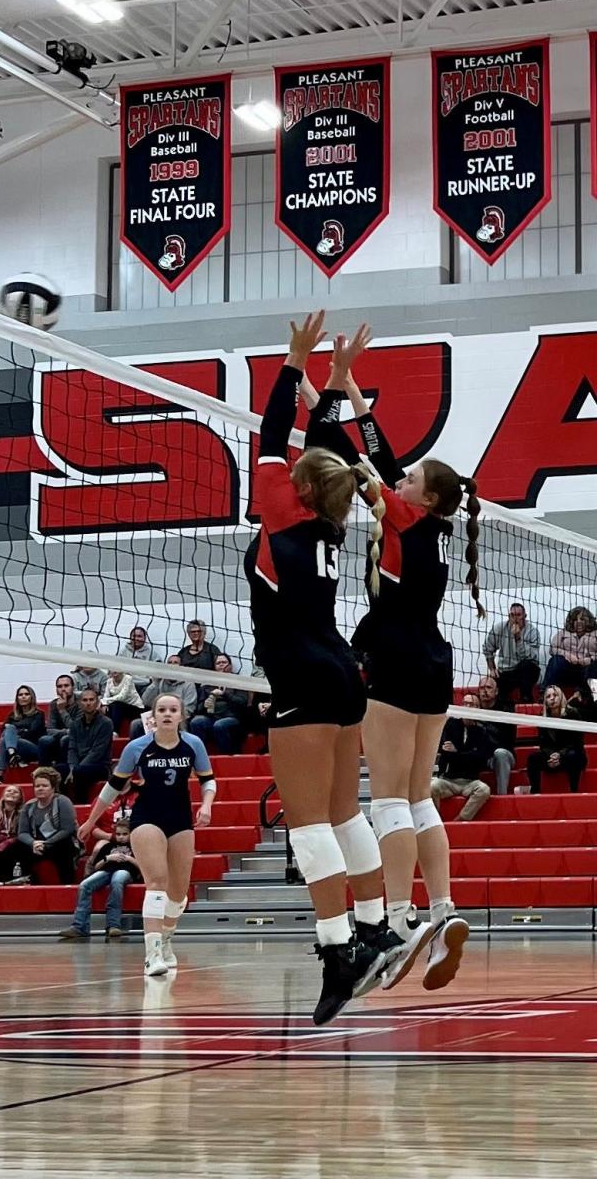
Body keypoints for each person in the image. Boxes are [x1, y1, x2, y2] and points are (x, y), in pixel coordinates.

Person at [242, 315, 400, 1025]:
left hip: (303, 673)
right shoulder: (331, 518)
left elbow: (280, 437)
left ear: (295, 488)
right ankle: (375, 926)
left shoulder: (283, 511)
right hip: (340, 671)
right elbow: (325, 448)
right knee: (344, 813)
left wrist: (292, 364)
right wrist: (332, 382)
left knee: (309, 825)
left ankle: (339, 948)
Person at [329, 332, 483, 995]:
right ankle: (443, 908)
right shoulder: (438, 530)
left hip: (393, 658)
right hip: (435, 664)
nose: (403, 477)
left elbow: (363, 454)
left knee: (388, 798)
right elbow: (381, 449)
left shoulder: (401, 517)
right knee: (419, 796)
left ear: (423, 497)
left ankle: (397, 918)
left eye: (412, 479)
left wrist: (317, 390)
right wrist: (338, 381)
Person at [78, 694, 215, 976]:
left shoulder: (193, 744)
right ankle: (152, 955)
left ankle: (165, 939)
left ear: (181, 716)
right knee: (157, 881)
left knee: (178, 891)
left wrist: (206, 804)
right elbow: (112, 787)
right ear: (153, 716)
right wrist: (91, 821)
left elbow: (207, 780)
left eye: (173, 710)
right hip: (146, 817)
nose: (167, 714)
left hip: (180, 819)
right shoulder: (137, 747)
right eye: (162, 710)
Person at [60, 818, 141, 942]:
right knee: (84, 885)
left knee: (117, 880)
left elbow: (143, 867)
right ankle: (79, 926)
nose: (121, 837)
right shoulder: (108, 846)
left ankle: (113, 925)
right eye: (118, 834)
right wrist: (108, 858)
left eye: (125, 834)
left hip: (126, 871)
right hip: (106, 870)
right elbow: (96, 866)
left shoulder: (136, 847)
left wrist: (128, 859)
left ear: (131, 833)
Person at [430, 696, 493, 821]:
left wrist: (457, 752)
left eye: (472, 704)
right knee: (431, 787)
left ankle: (460, 819)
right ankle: (435, 821)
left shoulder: (482, 732)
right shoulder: (450, 725)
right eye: (465, 703)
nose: (468, 707)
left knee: (484, 790)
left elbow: (480, 761)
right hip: (448, 780)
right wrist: (468, 755)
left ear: (478, 709)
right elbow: (446, 754)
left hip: (470, 781)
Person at [13, 767, 78, 884]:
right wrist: (33, 843)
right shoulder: (28, 806)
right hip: (37, 845)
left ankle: (67, 884)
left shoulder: (63, 801)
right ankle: (28, 882)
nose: (40, 789)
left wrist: (46, 843)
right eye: (37, 786)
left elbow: (68, 829)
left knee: (64, 845)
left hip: (58, 843)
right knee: (17, 846)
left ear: (53, 787)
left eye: (44, 785)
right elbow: (22, 833)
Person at [527, 686, 588, 793]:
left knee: (573, 756)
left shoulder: (573, 714)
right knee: (532, 759)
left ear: (561, 697)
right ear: (545, 701)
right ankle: (535, 792)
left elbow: (576, 743)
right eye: (548, 696)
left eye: (555, 695)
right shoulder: (542, 717)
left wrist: (560, 754)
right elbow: (543, 745)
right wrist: (552, 755)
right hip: (551, 757)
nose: (552, 698)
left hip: (570, 755)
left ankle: (574, 791)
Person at [59, 689, 114, 804]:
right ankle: (64, 804)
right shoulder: (75, 724)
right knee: (59, 769)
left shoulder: (106, 723)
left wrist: (74, 770)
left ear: (97, 702)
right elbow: (72, 748)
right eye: (85, 700)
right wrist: (72, 768)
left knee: (80, 772)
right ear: (79, 703)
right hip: (78, 764)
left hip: (100, 766)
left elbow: (97, 752)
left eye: (91, 700)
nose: (88, 703)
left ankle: (80, 805)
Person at [189, 654, 248, 754]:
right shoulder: (207, 683)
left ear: (230, 666)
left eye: (224, 662)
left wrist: (224, 694)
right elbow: (198, 709)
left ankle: (226, 757)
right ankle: (200, 756)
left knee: (219, 725)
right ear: (214, 667)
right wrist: (204, 705)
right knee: (196, 721)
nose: (221, 665)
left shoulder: (238, 681)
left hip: (233, 718)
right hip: (211, 717)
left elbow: (242, 703)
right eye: (218, 663)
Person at [483, 603, 541, 704]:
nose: (515, 619)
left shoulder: (532, 632)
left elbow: (530, 656)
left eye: (518, 615)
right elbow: (488, 648)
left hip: (526, 671)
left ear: (524, 616)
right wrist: (492, 668)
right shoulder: (499, 628)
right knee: (493, 687)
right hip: (506, 671)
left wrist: (518, 638)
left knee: (527, 666)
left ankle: (526, 700)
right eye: (512, 615)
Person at [0, 686, 46, 784]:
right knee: (8, 732)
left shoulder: (38, 714)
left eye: (26, 694)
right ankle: (13, 755)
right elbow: (2, 730)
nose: (23, 697)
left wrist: (15, 734)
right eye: (20, 695)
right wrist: (20, 731)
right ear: (17, 698)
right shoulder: (12, 715)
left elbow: (33, 732)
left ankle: (0, 772)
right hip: (16, 747)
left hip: (33, 747)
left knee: (9, 732)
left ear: (31, 697)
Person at [129, 658, 198, 737]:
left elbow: (189, 709)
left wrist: (172, 716)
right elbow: (145, 702)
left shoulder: (188, 684)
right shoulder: (159, 682)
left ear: (181, 667)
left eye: (175, 662)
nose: (172, 665)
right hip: (159, 717)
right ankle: (139, 748)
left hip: (180, 718)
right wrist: (155, 683)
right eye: (169, 662)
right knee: (136, 724)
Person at [475, 675, 517, 794]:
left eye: (488, 687)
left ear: (496, 691)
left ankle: (502, 796)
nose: (485, 691)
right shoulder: (472, 709)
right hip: (480, 755)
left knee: (500, 753)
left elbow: (506, 740)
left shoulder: (505, 709)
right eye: (482, 688)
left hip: (502, 755)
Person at [544, 607, 597, 694]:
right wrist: (566, 655)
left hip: (588, 671)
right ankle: (546, 692)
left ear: (588, 621)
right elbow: (552, 649)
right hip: (568, 670)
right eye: (575, 619)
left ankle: (582, 696)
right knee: (556, 660)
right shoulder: (563, 633)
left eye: (582, 619)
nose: (578, 622)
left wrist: (589, 660)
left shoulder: (595, 634)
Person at [37, 675, 79, 762]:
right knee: (44, 740)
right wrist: (66, 731)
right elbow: (50, 730)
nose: (63, 689)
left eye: (66, 686)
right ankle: (45, 772)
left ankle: (63, 769)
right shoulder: (53, 704)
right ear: (56, 690)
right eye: (59, 686)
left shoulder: (81, 702)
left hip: (79, 741)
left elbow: (76, 730)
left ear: (73, 687)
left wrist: (62, 710)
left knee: (66, 739)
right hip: (59, 739)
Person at [121, 626, 158, 694]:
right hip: (127, 685)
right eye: (134, 636)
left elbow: (159, 669)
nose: (136, 639)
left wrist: (150, 679)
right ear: (130, 638)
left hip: (145, 686)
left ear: (144, 638)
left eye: (139, 636)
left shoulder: (152, 653)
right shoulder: (123, 652)